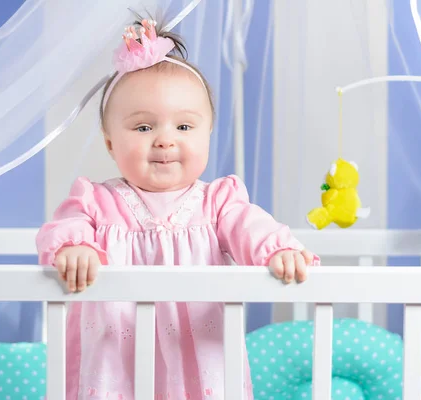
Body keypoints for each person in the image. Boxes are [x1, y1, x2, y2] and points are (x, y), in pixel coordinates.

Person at [36, 15, 319, 400]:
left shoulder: (218, 202)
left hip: (200, 359)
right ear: (109, 144)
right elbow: (64, 229)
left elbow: (250, 227)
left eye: (184, 127)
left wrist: (278, 250)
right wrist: (75, 249)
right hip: (114, 361)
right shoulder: (95, 202)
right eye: (143, 127)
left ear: (207, 134)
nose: (165, 141)